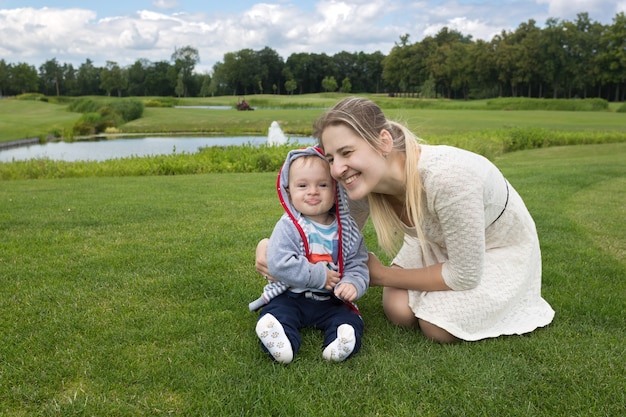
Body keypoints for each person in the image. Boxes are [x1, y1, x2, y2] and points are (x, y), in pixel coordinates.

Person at [256, 97, 554, 343]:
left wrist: (382, 275)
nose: (337, 170)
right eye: (331, 158)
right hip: (433, 244)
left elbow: (465, 274)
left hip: (497, 249)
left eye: (346, 152)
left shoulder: (449, 179)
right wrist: (271, 245)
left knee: (437, 327)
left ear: (383, 141)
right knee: (397, 310)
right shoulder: (358, 184)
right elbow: (327, 232)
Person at [253, 146, 369, 364]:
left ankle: (341, 340)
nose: (313, 191)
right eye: (303, 185)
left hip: (331, 300)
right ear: (289, 191)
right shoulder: (289, 226)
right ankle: (280, 339)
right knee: (279, 312)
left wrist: (353, 283)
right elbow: (279, 263)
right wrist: (320, 276)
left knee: (347, 318)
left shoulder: (347, 229)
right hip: (291, 295)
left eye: (323, 185)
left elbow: (358, 263)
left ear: (336, 191)